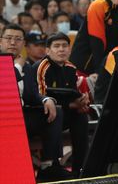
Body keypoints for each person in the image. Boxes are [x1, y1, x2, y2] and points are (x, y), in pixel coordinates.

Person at [0, 24, 71, 181]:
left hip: (22, 116)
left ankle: (48, 166)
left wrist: (46, 99)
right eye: (9, 38)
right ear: (1, 41)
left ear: (23, 44)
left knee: (56, 110)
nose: (13, 42)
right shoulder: (18, 65)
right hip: (5, 118)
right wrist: (17, 67)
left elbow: (32, 94)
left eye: (18, 39)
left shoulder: (26, 66)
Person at [35, 32, 90, 177]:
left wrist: (81, 101)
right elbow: (41, 98)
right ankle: (51, 166)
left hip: (63, 112)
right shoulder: (42, 67)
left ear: (69, 50)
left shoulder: (71, 68)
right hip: (43, 115)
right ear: (48, 50)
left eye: (65, 46)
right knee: (57, 112)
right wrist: (71, 105)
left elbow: (72, 94)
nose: (61, 49)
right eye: (57, 46)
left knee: (81, 116)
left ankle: (80, 167)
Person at [70, 0, 118, 76]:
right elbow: (97, 40)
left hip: (106, 61)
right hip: (85, 60)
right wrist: (100, 71)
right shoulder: (98, 5)